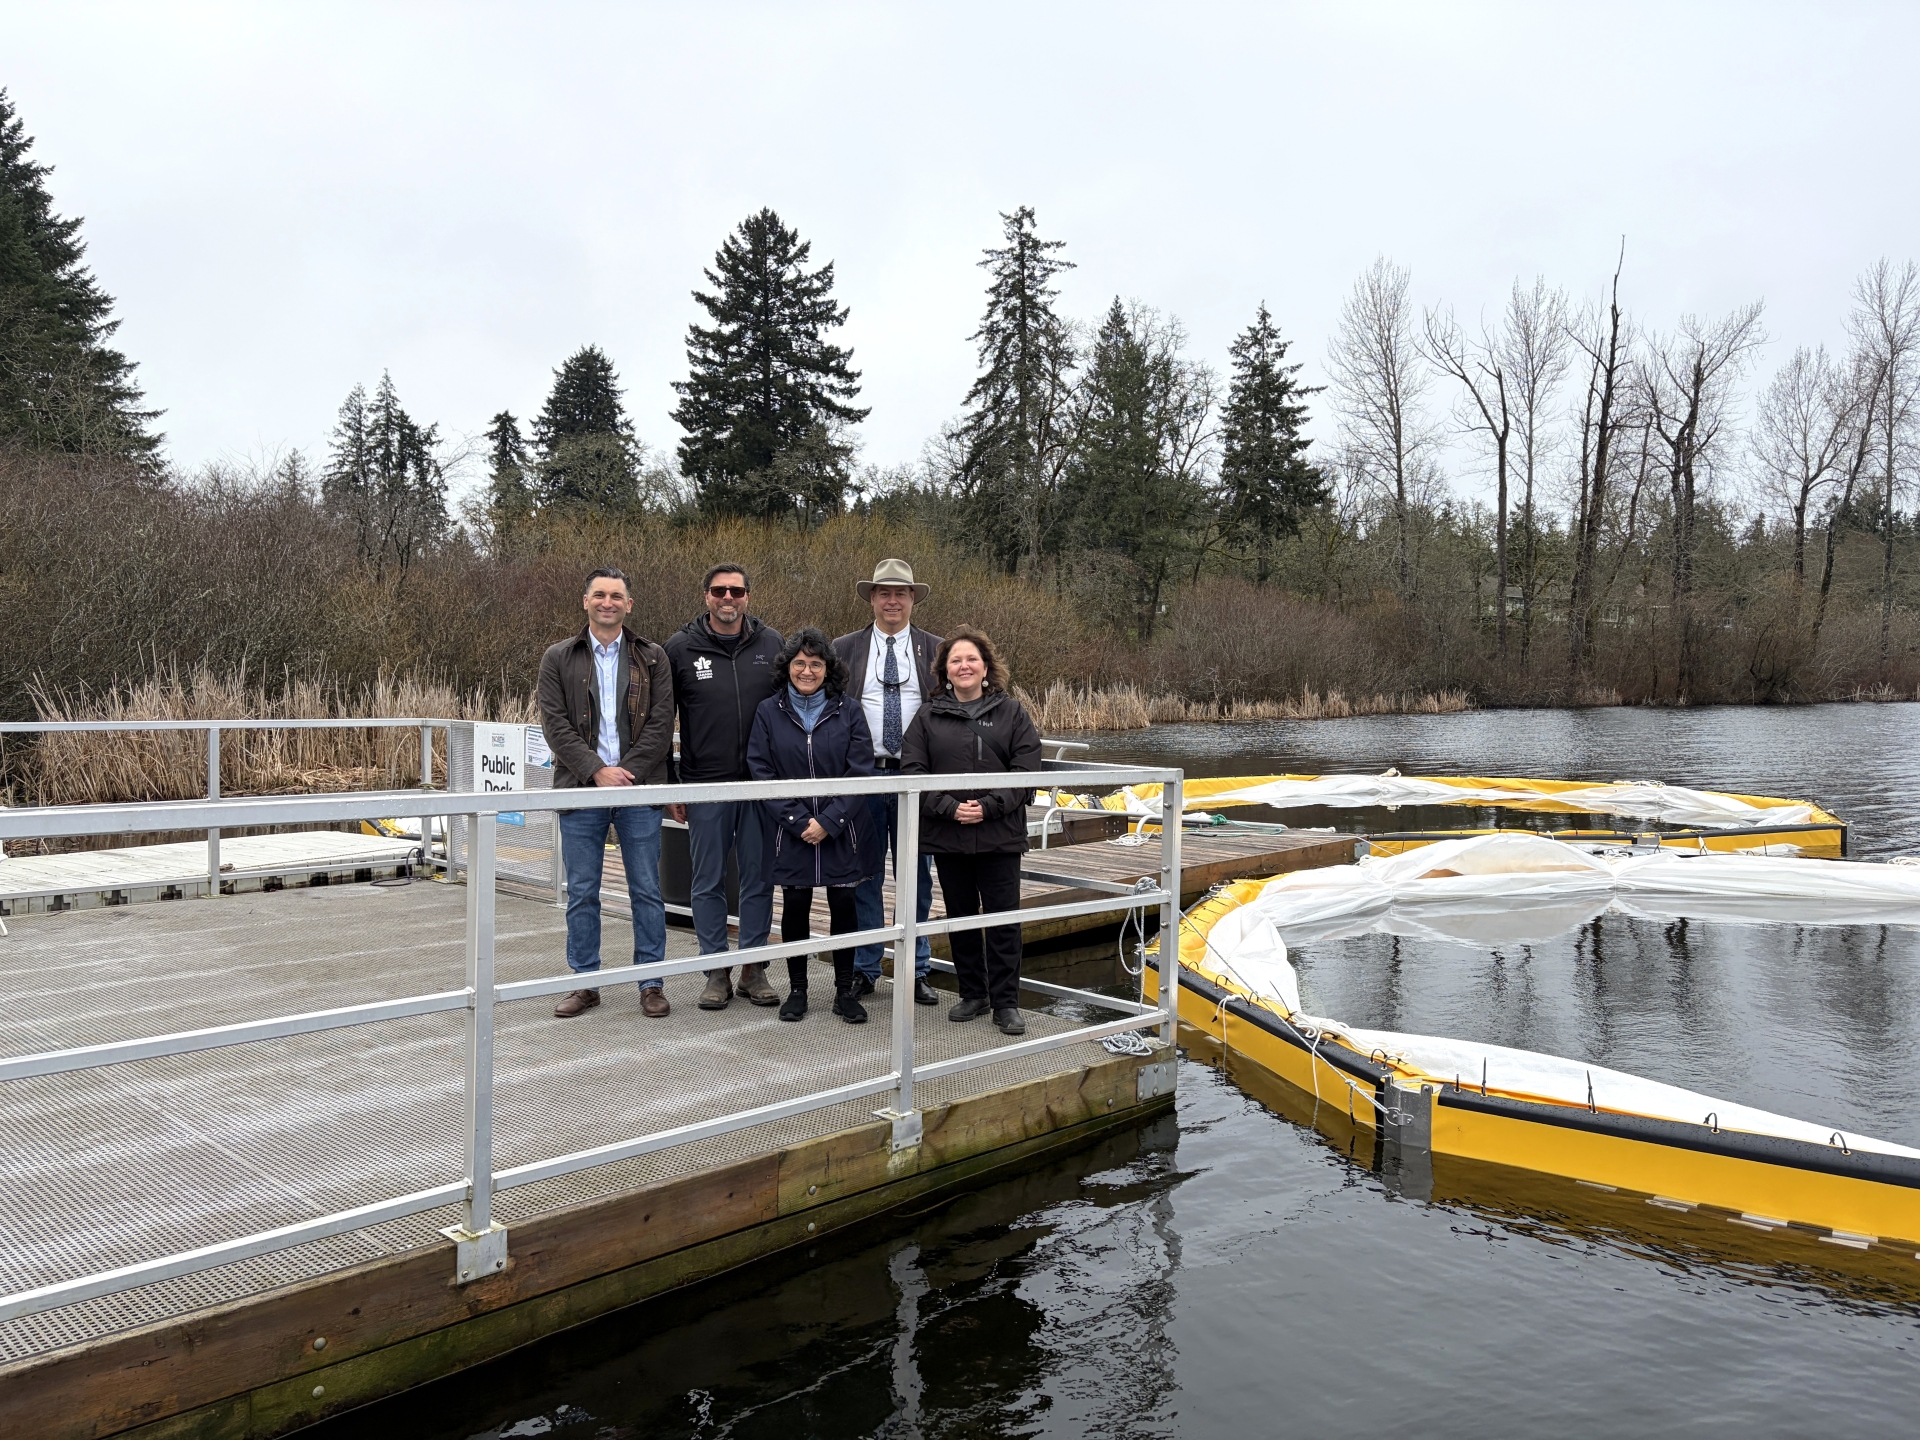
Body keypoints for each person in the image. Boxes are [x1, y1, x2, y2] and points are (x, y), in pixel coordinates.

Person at [536, 567, 676, 1020]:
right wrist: (596, 771)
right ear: (586, 601)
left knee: (647, 890)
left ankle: (651, 983)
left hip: (637, 790)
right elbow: (554, 725)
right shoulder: (558, 657)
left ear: (629, 605)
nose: (608, 602)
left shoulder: (652, 657)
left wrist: (624, 774)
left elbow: (662, 721)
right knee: (581, 891)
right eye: (600, 594)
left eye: (617, 595)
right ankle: (585, 983)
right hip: (580, 789)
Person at [900, 626, 1042, 1036]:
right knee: (960, 917)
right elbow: (913, 770)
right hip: (949, 835)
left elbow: (1026, 768)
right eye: (955, 660)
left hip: (999, 834)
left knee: (1002, 920)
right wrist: (949, 808)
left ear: (985, 668)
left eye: (971, 659)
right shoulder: (928, 716)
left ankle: (1006, 1002)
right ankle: (973, 994)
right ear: (944, 670)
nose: (964, 666)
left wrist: (988, 808)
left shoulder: (1012, 712)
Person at [745, 627, 884, 1023]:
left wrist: (829, 820)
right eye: (800, 663)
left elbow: (860, 772)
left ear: (828, 669)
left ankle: (844, 992)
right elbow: (761, 770)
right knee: (795, 905)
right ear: (788, 667)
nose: (807, 671)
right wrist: (796, 819)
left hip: (842, 828)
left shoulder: (849, 710)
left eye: (816, 664)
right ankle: (798, 991)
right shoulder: (769, 711)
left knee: (844, 904)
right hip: (791, 830)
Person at [664, 563, 784, 1010]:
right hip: (704, 784)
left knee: (758, 877)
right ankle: (715, 969)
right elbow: (661, 723)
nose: (727, 598)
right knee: (707, 879)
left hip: (760, 784)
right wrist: (671, 785)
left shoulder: (773, 645)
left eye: (736, 590)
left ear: (748, 596)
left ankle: (754, 969)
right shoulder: (679, 648)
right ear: (706, 595)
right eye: (719, 591)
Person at [832, 559, 941, 1008]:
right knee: (865, 876)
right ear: (872, 598)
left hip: (916, 778)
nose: (892, 601)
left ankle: (915, 969)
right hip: (863, 775)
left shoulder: (936, 650)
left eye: (901, 593)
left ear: (913, 598)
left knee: (916, 878)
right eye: (884, 593)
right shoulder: (844, 649)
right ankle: (865, 968)